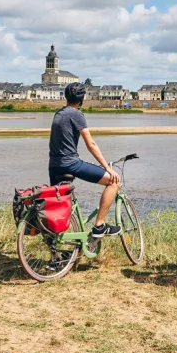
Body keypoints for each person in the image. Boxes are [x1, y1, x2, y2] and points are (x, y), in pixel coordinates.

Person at [49, 82, 122, 237]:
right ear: (82, 98)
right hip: (70, 164)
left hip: (54, 166)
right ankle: (99, 226)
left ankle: (57, 250)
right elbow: (91, 144)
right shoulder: (76, 114)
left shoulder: (58, 113)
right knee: (113, 182)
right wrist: (107, 168)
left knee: (59, 207)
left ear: (66, 97)